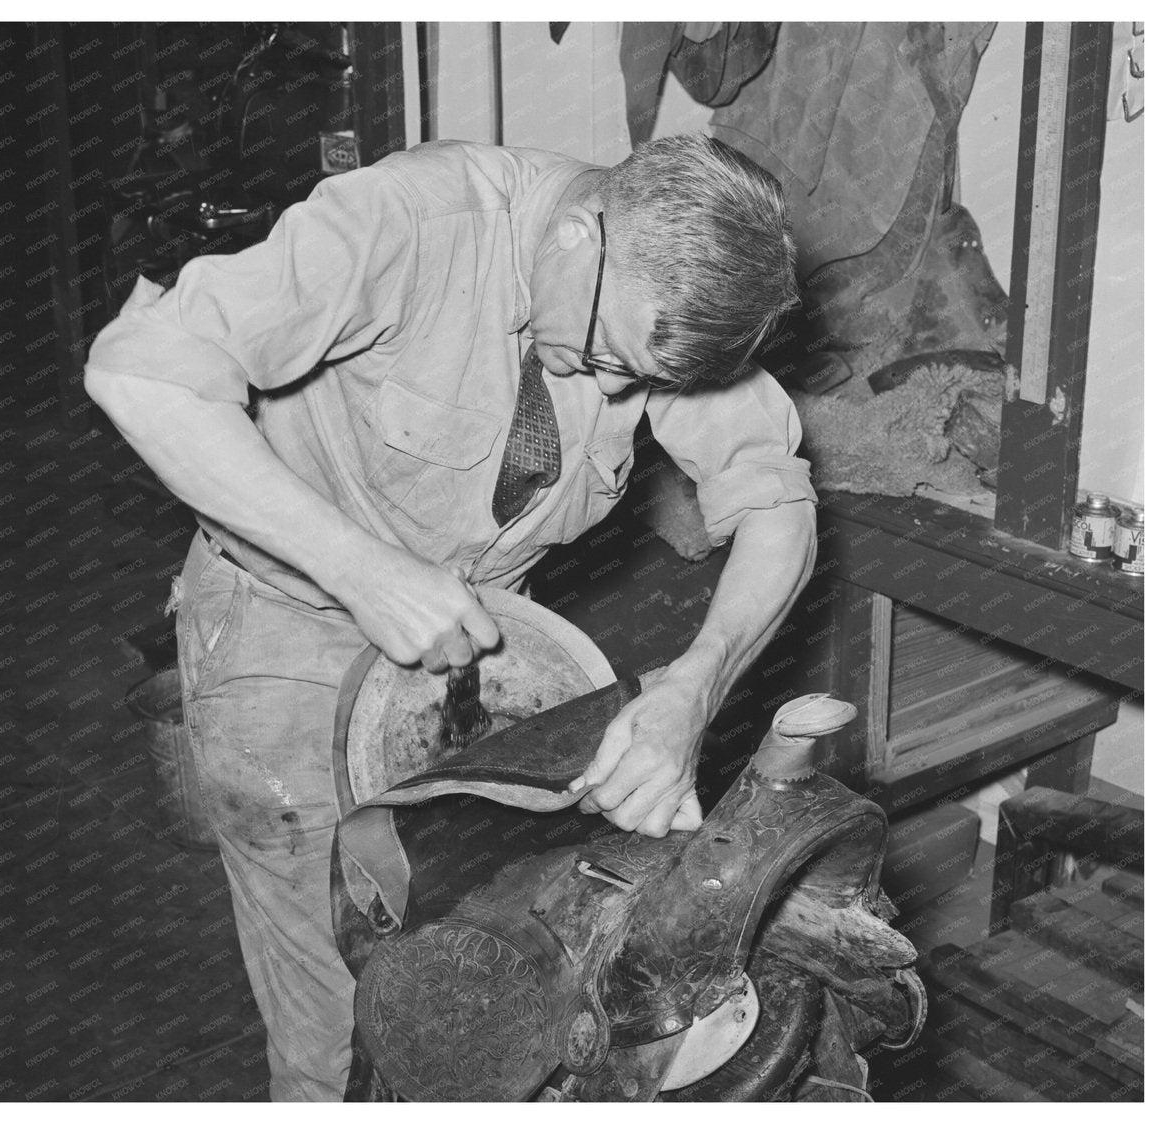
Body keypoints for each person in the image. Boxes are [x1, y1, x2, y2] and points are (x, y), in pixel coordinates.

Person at [85, 134, 817, 1101]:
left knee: (472, 965)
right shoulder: (409, 223)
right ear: (576, 233)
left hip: (475, 649)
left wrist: (696, 683)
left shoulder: (645, 292)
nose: (606, 391)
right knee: (340, 1010)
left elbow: (776, 503)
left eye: (638, 381)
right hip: (286, 625)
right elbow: (141, 373)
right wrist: (361, 569)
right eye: (606, 356)